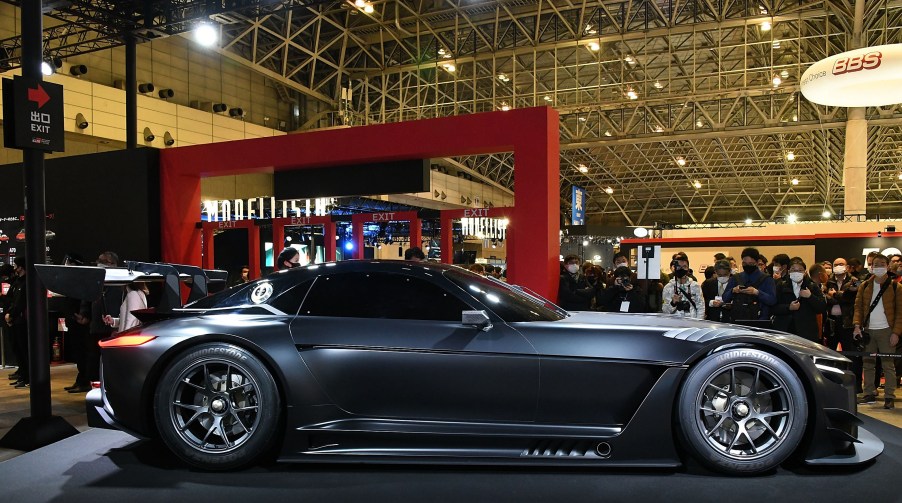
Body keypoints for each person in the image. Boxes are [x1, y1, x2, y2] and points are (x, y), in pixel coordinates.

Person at [853, 254, 902, 409]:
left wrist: (896, 332)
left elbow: (901, 312)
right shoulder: (865, 286)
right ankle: (868, 393)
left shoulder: (896, 287)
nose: (878, 267)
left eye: (882, 264)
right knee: (868, 364)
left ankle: (889, 396)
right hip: (868, 330)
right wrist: (856, 326)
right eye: (875, 264)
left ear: (887, 266)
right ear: (871, 267)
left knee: (888, 365)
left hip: (887, 331)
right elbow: (858, 308)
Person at [75, 251, 121, 391]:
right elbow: (87, 298)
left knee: (110, 362)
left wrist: (116, 324)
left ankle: (109, 389)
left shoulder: (121, 281)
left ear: (112, 264)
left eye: (102, 261)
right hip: (96, 327)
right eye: (98, 260)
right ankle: (95, 387)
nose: (98, 263)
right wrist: (84, 315)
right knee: (94, 360)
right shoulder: (96, 279)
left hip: (113, 330)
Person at [825, 257, 863, 392]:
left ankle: (856, 386)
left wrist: (835, 295)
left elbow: (851, 299)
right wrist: (839, 296)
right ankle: (829, 385)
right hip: (831, 323)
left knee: (852, 355)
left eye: (841, 264)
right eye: (835, 264)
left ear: (847, 267)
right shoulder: (827, 281)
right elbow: (825, 299)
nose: (838, 266)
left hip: (848, 323)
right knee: (828, 355)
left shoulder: (854, 281)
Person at [772, 258, 826, 343]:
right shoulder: (781, 286)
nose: (797, 272)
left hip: (807, 332)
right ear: (789, 272)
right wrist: (788, 307)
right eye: (793, 270)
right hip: (785, 331)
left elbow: (821, 307)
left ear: (805, 272)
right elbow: (773, 307)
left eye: (800, 270)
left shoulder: (812, 286)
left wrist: (810, 296)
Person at [722, 247, 777, 326]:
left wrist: (757, 292)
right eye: (744, 263)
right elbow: (725, 298)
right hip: (738, 320)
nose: (747, 266)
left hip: (759, 320)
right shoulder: (736, 278)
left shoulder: (766, 279)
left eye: (751, 264)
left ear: (757, 262)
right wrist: (733, 291)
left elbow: (772, 300)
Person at [5, 257, 28, 388]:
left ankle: (27, 377)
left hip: (21, 321)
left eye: (16, 266)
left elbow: (20, 302)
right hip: (15, 320)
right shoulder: (17, 282)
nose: (14, 268)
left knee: (24, 350)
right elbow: (11, 299)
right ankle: (23, 376)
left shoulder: (25, 283)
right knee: (18, 349)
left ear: (20, 267)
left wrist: (11, 314)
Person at [662, 253, 704, 319]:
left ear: (688, 268)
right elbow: (665, 311)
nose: (681, 269)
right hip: (675, 322)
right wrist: (673, 303)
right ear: (675, 268)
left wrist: (698, 323)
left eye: (684, 266)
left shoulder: (695, 286)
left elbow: (701, 307)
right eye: (679, 267)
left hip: (692, 322)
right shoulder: (668, 287)